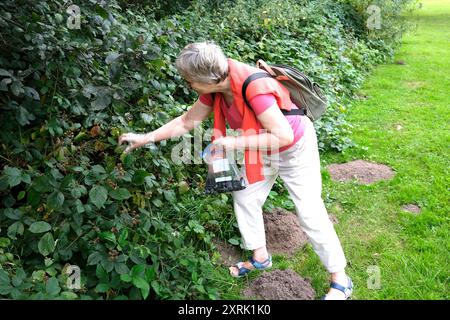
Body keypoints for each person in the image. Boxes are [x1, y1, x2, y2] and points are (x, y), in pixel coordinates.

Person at [118, 42, 353, 300]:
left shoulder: (254, 89)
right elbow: (186, 121)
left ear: (207, 78)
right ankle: (261, 257)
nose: (189, 86)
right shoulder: (216, 90)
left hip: (293, 146)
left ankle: (340, 279)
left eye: (189, 81)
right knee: (245, 197)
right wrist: (146, 137)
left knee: (309, 212)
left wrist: (232, 142)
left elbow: (282, 136)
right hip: (261, 147)